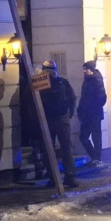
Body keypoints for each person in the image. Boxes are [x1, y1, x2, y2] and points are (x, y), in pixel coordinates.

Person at [38, 59, 78, 189]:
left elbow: (72, 98)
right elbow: (33, 100)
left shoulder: (62, 82)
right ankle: (53, 177)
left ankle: (69, 177)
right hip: (47, 120)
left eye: (50, 70)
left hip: (61, 118)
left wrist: (68, 113)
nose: (49, 73)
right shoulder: (40, 83)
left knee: (66, 148)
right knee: (48, 149)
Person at [77, 59, 106, 167]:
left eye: (86, 69)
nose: (84, 71)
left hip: (94, 113)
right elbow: (83, 97)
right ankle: (95, 157)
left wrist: (92, 108)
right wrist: (81, 109)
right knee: (83, 136)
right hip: (87, 113)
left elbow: (102, 97)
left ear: (91, 70)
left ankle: (97, 158)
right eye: (84, 69)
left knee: (95, 136)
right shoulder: (87, 80)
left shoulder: (96, 81)